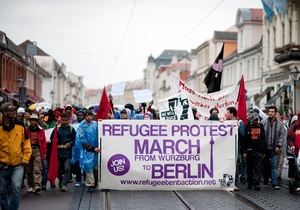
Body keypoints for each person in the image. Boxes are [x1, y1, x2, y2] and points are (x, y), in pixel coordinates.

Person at [0, 102, 32, 209]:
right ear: (4, 113)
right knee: (2, 191)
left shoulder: (20, 125)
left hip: (18, 164)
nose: (14, 112)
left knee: (16, 188)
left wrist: (25, 159)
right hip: (2, 165)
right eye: (11, 111)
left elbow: (26, 143)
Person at [261, 105, 286, 190]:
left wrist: (279, 146)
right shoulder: (263, 122)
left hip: (275, 148)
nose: (271, 113)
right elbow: (261, 136)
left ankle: (274, 183)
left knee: (274, 166)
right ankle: (265, 181)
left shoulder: (280, 124)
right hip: (265, 148)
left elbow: (282, 136)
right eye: (269, 111)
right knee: (265, 165)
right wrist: (262, 147)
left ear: (275, 113)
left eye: (272, 112)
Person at [50, 112, 75, 192]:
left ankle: (64, 183)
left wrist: (70, 143)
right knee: (58, 168)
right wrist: (54, 140)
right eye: (62, 120)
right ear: (60, 120)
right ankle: (61, 180)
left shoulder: (71, 129)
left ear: (68, 120)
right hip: (58, 152)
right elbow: (51, 138)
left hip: (67, 152)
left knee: (67, 168)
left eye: (65, 120)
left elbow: (74, 139)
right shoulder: (57, 128)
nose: (64, 122)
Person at [77, 110, 100, 193]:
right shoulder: (82, 127)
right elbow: (82, 141)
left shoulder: (96, 124)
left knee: (96, 168)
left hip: (97, 150)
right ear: (84, 116)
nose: (88, 117)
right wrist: (92, 148)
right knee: (88, 167)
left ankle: (94, 183)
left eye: (90, 115)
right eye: (86, 116)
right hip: (88, 150)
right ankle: (90, 184)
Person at [242, 113, 266, 190]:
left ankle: (257, 183)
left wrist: (263, 151)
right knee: (249, 168)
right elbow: (244, 140)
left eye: (257, 120)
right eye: (254, 119)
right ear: (251, 119)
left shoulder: (261, 126)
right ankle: (250, 182)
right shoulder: (247, 127)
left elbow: (263, 138)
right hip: (249, 151)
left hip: (258, 151)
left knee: (257, 168)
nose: (255, 121)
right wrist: (244, 151)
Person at [25, 114, 47, 194]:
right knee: (29, 169)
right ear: (29, 121)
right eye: (31, 120)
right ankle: (30, 185)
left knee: (37, 168)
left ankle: (37, 185)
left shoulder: (41, 130)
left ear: (37, 121)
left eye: (35, 120)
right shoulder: (26, 130)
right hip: (28, 150)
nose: (33, 122)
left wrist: (44, 152)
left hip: (37, 149)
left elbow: (43, 141)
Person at [226, 106, 245, 191]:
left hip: (235, 146)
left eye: (227, 112)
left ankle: (234, 182)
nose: (226, 114)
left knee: (234, 165)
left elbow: (242, 135)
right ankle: (227, 182)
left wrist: (237, 127)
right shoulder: (226, 122)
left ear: (232, 113)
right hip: (227, 147)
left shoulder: (240, 122)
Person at [41, 109, 57, 189]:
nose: (46, 118)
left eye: (47, 116)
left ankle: (52, 181)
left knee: (52, 164)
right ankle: (43, 183)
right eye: (45, 116)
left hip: (52, 146)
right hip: (44, 146)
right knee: (44, 166)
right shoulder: (42, 125)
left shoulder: (54, 125)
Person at [71, 110, 85, 187]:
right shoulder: (73, 126)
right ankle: (78, 180)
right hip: (76, 148)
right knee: (77, 165)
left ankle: (86, 179)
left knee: (86, 164)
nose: (80, 117)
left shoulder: (87, 125)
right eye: (78, 115)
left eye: (81, 115)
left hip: (84, 147)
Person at [287, 112, 300, 181]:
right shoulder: (294, 127)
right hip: (295, 151)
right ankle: (293, 179)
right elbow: (289, 138)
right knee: (294, 165)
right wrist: (292, 145)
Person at [276, 111, 288, 182]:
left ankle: (278, 175)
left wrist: (285, 147)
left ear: (280, 116)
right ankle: (275, 175)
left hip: (282, 147)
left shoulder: (284, 125)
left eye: (277, 115)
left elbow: (285, 138)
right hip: (275, 147)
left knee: (280, 163)